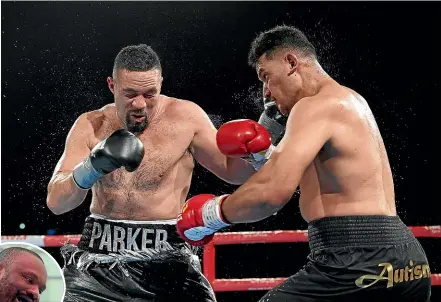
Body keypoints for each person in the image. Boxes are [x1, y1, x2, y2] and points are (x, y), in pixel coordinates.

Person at [176, 25, 432, 301]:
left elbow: (271, 192)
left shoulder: (313, 106)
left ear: (290, 62)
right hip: (406, 262)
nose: (266, 92)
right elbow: (312, 177)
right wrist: (265, 153)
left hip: (358, 261)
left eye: (266, 77)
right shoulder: (349, 100)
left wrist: (211, 214)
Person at [46, 44, 281, 301]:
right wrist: (91, 167)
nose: (139, 104)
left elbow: (233, 172)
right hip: (98, 264)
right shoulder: (90, 125)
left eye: (149, 94)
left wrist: (266, 134)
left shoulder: (186, 118)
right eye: (130, 94)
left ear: (160, 83)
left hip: (168, 261)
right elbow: (56, 203)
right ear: (112, 86)